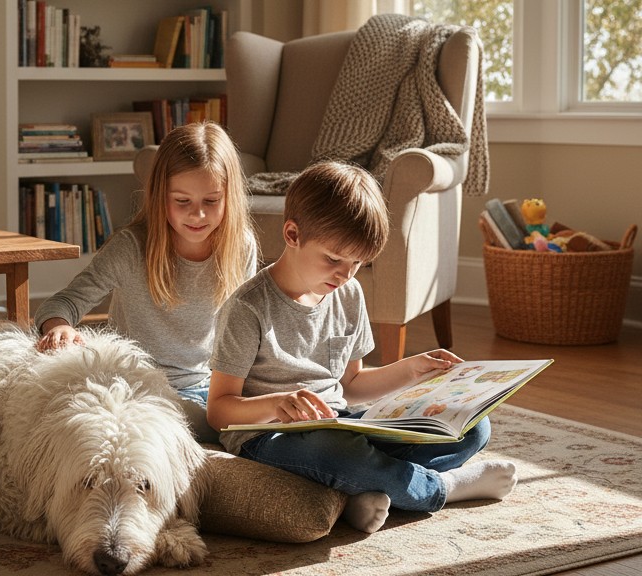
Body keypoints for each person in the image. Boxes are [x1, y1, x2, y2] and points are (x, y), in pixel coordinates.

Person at [207, 161, 517, 533]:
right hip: (269, 437)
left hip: (341, 424)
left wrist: (410, 371)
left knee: (473, 427)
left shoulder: (348, 293)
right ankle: (443, 488)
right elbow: (219, 412)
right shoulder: (247, 309)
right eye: (334, 259)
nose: (345, 273)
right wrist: (276, 404)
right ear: (292, 234)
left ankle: (361, 490)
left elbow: (351, 385)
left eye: (357, 262)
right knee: (338, 454)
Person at [35, 121, 259, 442]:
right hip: (139, 385)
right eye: (182, 201)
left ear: (229, 196)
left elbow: (246, 334)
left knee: (258, 417)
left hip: (209, 386)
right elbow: (64, 303)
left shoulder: (241, 246)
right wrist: (60, 326)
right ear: (159, 195)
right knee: (216, 426)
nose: (197, 215)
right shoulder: (131, 248)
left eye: (211, 201)